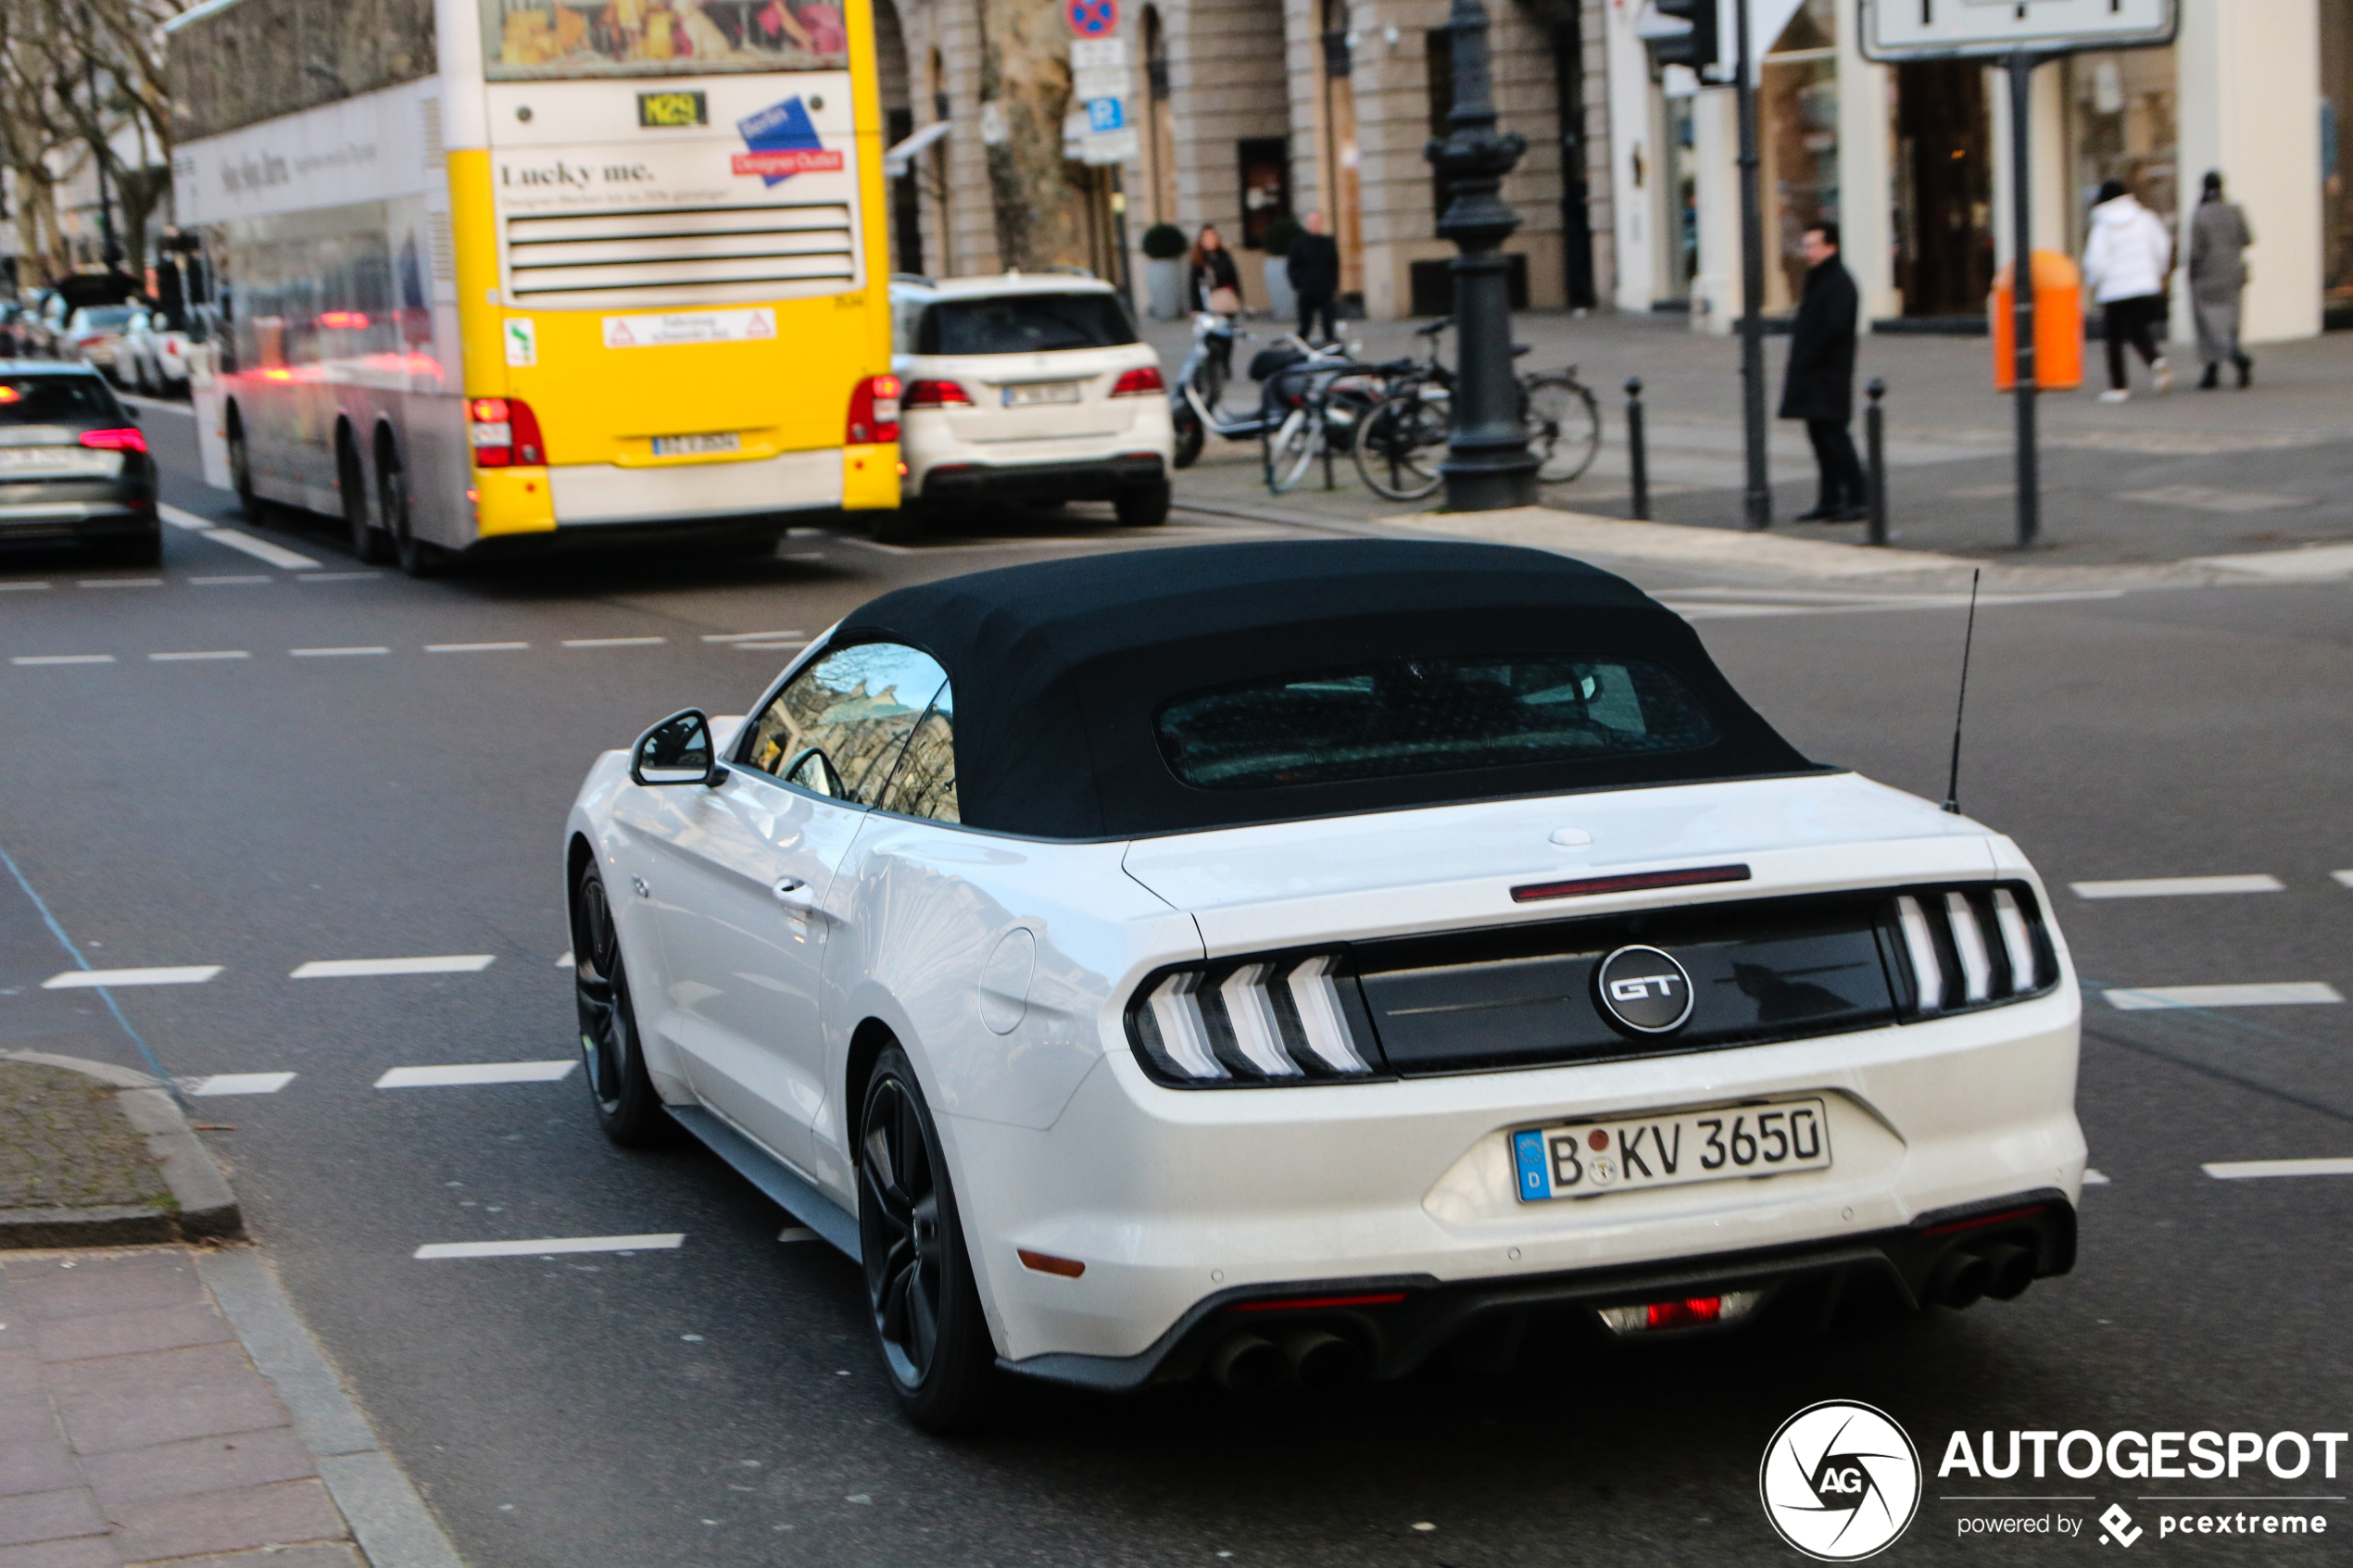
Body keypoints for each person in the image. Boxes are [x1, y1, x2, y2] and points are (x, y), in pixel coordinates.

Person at [1778, 221, 1867, 523]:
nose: (1808, 252)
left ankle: (1858, 497)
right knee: (1820, 436)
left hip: (1828, 374)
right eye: (1806, 246)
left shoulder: (1839, 282)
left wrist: (1811, 357)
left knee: (1835, 436)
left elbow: (1835, 329)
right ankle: (1829, 498)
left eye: (1813, 245)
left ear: (1832, 247)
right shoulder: (1819, 279)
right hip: (1815, 373)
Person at [2081, 178, 2174, 403]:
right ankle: (2156, 361)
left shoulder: (2102, 227)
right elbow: (2162, 246)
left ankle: (2119, 387)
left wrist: (2092, 282)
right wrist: (2159, 272)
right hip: (2144, 284)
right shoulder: (2145, 218)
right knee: (2137, 329)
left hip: (2114, 289)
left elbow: (2097, 261)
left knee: (2113, 338)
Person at [2189, 170, 2254, 389]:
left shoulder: (2200, 214)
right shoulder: (2235, 211)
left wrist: (2191, 274)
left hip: (2208, 276)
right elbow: (2248, 239)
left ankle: (2217, 368)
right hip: (2233, 274)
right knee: (2231, 322)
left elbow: (2196, 251)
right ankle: (2234, 354)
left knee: (2208, 325)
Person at [1287, 210, 1341, 344]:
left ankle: (1331, 348)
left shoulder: (1328, 242)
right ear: (1307, 224)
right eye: (1312, 222)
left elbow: (1334, 265)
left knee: (1328, 323)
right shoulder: (1298, 243)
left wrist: (1333, 285)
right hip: (1306, 290)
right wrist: (1298, 286)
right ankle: (1299, 348)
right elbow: (1292, 267)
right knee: (1305, 324)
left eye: (1317, 222)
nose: (1315, 225)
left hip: (1325, 289)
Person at [1186, 225, 1240, 317]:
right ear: (1201, 240)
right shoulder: (1198, 259)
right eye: (1206, 237)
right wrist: (1195, 308)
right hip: (1205, 301)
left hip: (1224, 300)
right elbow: (1194, 285)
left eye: (1212, 236)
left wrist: (1237, 296)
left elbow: (1233, 278)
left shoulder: (1223, 256)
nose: (1209, 240)